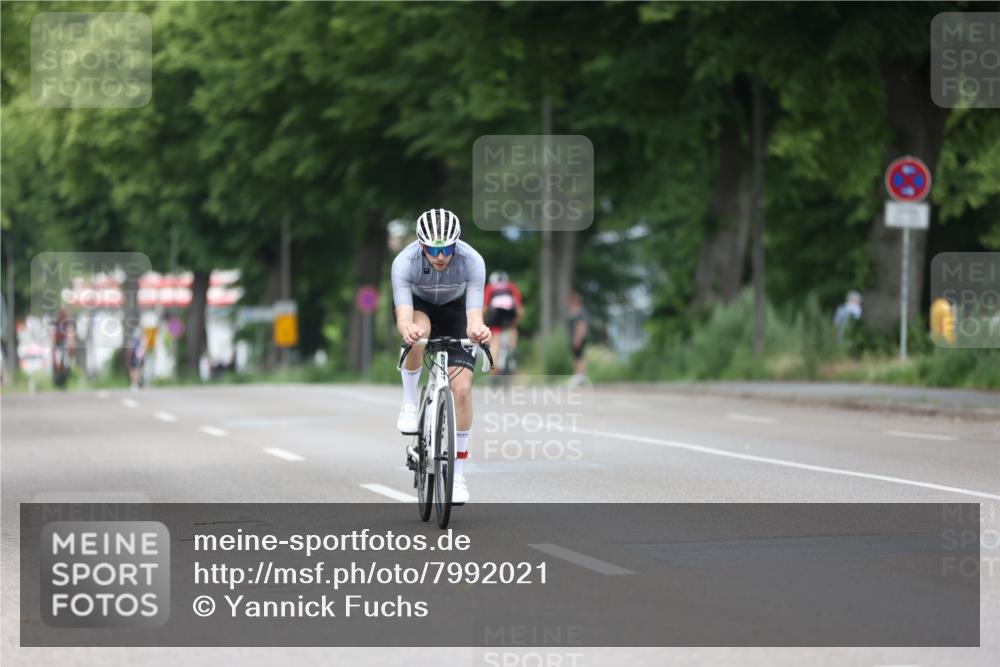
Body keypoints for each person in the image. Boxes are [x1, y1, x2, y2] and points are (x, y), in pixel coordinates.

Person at [391, 208, 490, 504]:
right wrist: (407, 330)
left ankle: (457, 475)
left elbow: (473, 316)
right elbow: (403, 316)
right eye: (434, 249)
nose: (441, 256)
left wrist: (479, 330)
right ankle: (410, 403)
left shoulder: (472, 261)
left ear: (455, 244)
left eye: (447, 248)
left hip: (457, 310)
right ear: (422, 245)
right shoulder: (404, 262)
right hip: (419, 307)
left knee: (461, 392)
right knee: (417, 333)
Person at [483, 270, 523, 374]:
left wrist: (483, 322)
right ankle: (512, 348)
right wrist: (516, 321)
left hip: (496, 313)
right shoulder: (511, 286)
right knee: (512, 329)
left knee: (495, 341)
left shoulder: (490, 288)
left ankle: (494, 366)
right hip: (509, 312)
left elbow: (485, 308)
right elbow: (519, 309)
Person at [566, 291, 588, 384]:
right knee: (576, 357)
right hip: (574, 338)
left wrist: (578, 338)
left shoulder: (580, 312)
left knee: (578, 357)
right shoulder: (574, 312)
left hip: (578, 338)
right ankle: (578, 375)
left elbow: (582, 325)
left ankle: (580, 376)